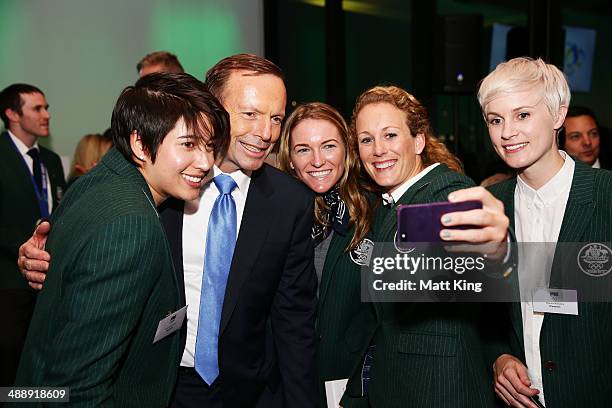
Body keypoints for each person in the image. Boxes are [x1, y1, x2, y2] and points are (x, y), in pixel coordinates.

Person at [19, 54, 318, 408]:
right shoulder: (159, 179)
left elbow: (294, 322)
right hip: (152, 385)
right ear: (212, 108)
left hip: (243, 391)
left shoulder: (290, 201)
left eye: (276, 118)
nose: (265, 133)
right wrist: (45, 257)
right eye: (250, 114)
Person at [14, 72, 228, 406]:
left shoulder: (98, 179)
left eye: (210, 147)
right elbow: (78, 388)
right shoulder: (132, 225)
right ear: (140, 144)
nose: (206, 163)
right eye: (188, 144)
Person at [339, 85, 508, 408]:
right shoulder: (390, 204)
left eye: (390, 135)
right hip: (404, 385)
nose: (378, 150)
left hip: (440, 390)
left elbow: (477, 268)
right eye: (366, 139)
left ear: (418, 141)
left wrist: (496, 250)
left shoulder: (443, 190)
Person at [479, 57, 612, 407]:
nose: (507, 132)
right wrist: (499, 357)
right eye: (496, 119)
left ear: (558, 116)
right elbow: (484, 315)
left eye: (522, 115)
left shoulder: (606, 195)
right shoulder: (490, 206)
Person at [277, 102, 374, 407]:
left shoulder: (378, 213)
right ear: (290, 160)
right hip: (286, 383)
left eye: (329, 146)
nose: (317, 160)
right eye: (303, 149)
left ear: (347, 149)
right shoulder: (274, 217)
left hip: (355, 386)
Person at [0, 83, 66, 386]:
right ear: (12, 113)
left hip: (49, 281)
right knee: (10, 367)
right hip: (8, 283)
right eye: (37, 108)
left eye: (47, 107)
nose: (47, 115)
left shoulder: (51, 161)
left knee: (44, 363)